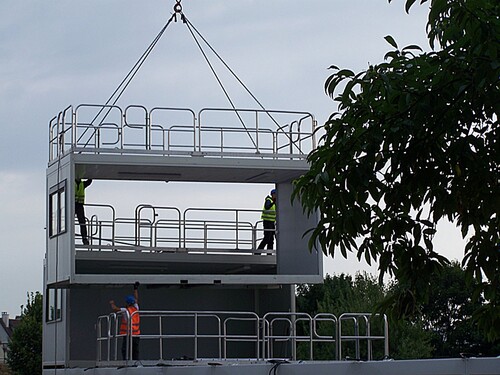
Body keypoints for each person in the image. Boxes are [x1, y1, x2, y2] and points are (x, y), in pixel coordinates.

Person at [110, 282, 141, 361]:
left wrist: (112, 303)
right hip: (136, 334)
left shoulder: (125, 311)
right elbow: (136, 299)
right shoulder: (136, 308)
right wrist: (135, 289)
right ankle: (136, 361)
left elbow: (115, 309)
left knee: (125, 349)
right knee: (135, 350)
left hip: (128, 334)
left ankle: (125, 360)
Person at [75, 178, 92, 245]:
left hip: (79, 205)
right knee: (70, 222)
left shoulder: (82, 184)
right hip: (72, 205)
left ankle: (84, 239)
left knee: (82, 222)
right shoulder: (72, 182)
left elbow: (89, 181)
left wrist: (91, 174)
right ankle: (84, 238)